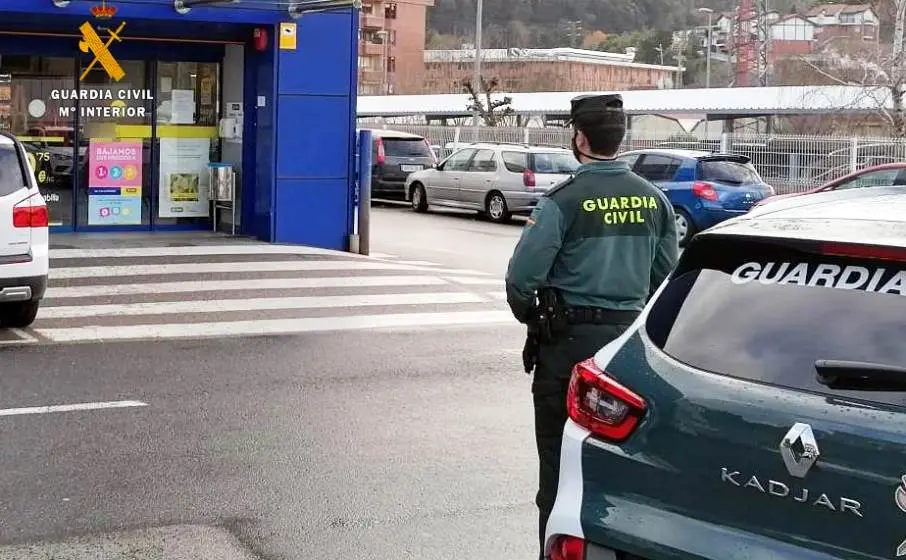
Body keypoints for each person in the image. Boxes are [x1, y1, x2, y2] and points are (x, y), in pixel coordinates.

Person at [504, 93, 679, 559]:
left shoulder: (564, 200)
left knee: (559, 467)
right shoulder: (654, 200)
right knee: (627, 465)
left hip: (569, 347)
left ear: (579, 138)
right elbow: (666, 281)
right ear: (620, 139)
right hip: (629, 353)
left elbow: (522, 280)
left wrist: (533, 318)